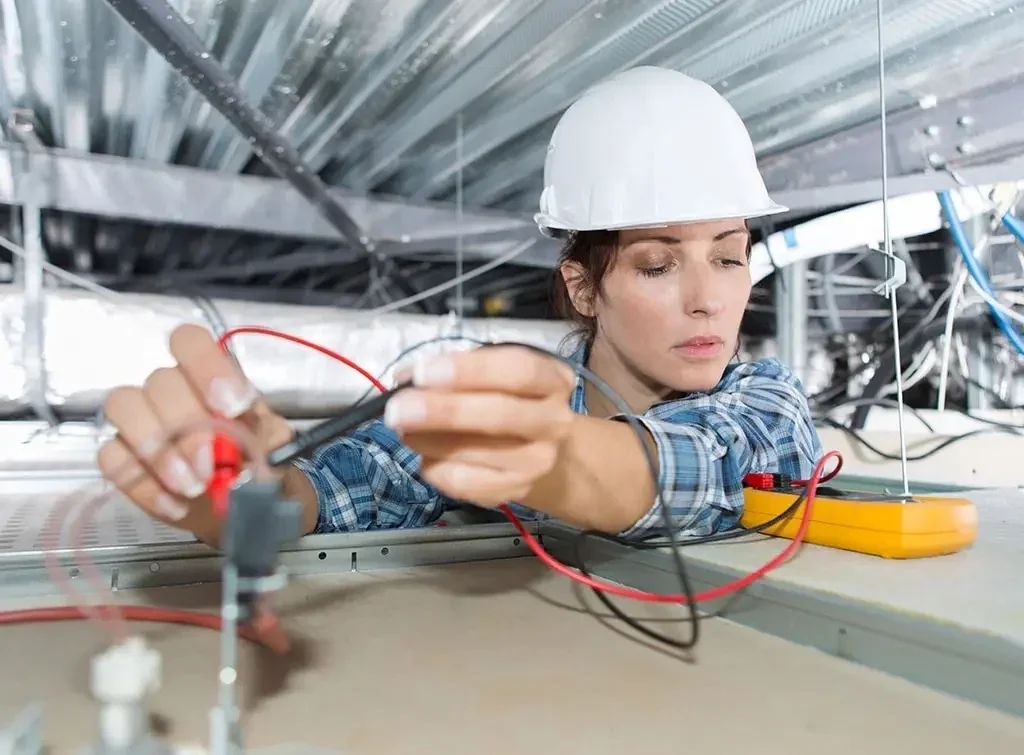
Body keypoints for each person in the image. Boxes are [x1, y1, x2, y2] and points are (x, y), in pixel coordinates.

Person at [97, 66, 822, 547]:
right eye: (659, 264)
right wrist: (256, 488)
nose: (709, 299)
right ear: (582, 288)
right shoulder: (493, 400)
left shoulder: (765, 402)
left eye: (729, 257)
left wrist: (550, 457)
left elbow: (703, 462)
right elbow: (348, 484)